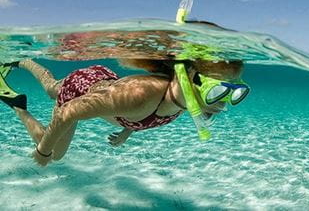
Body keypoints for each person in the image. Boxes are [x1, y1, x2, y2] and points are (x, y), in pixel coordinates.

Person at [1, 56, 246, 166]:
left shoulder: (180, 101)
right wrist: (42, 153)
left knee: (51, 88)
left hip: (103, 80)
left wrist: (125, 132)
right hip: (81, 90)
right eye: (216, 90)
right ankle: (19, 104)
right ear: (186, 76)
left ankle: (20, 63)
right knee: (54, 153)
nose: (223, 102)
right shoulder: (142, 94)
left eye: (232, 91)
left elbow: (147, 115)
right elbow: (68, 112)